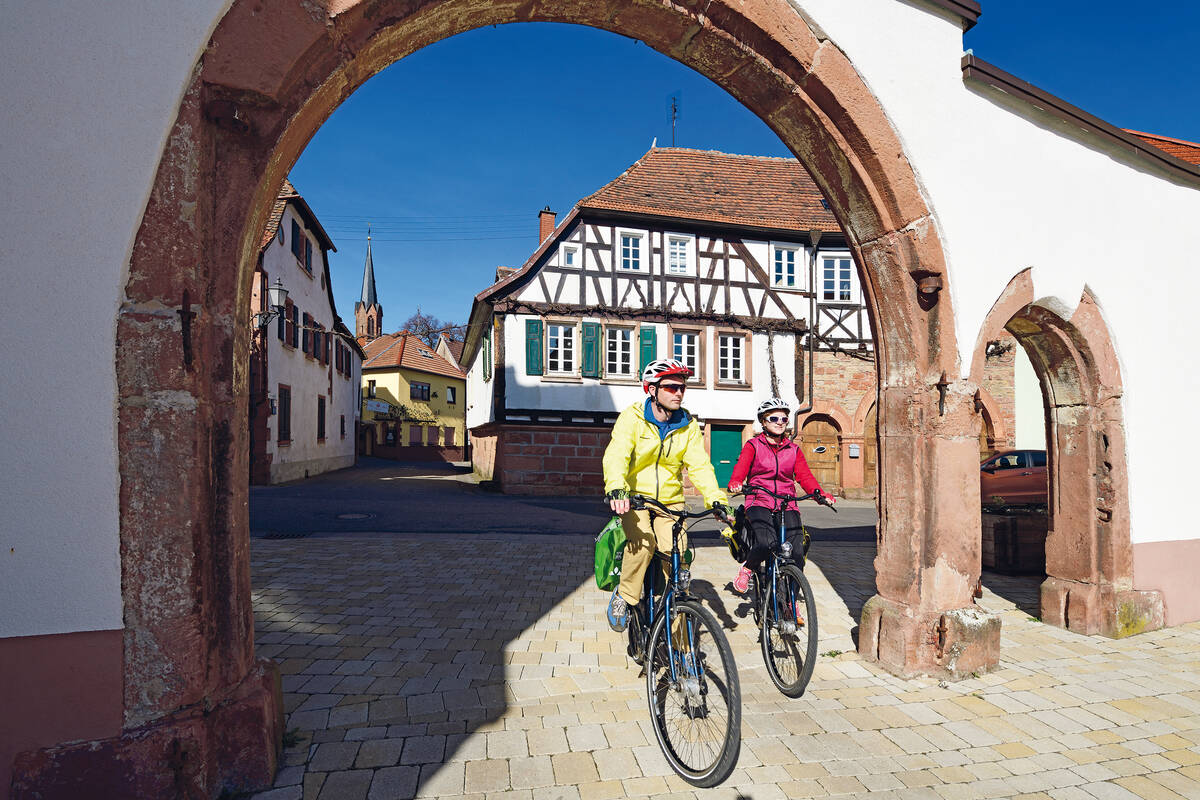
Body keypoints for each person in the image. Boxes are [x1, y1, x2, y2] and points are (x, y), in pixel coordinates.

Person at [602, 358, 733, 632]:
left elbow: (700, 466)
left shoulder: (686, 425)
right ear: (651, 389)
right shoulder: (632, 418)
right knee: (644, 543)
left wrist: (716, 499)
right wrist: (616, 486)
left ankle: (678, 639)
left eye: (682, 388)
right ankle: (625, 596)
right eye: (671, 387)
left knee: (678, 554)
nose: (679, 393)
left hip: (671, 502)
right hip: (635, 498)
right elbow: (617, 455)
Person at [728, 397, 836, 593]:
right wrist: (736, 482)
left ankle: (791, 603)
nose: (779, 422)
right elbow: (741, 468)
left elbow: (805, 476)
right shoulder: (753, 446)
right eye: (774, 418)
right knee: (765, 542)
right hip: (759, 500)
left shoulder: (793, 450)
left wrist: (820, 495)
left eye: (784, 419)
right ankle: (747, 568)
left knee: (797, 552)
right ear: (763, 421)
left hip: (787, 503)